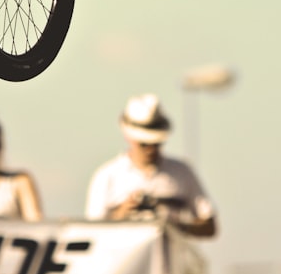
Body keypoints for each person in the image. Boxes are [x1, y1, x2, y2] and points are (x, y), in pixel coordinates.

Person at [85, 93, 217, 237]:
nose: (151, 149)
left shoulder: (182, 172)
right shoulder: (107, 176)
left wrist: (175, 226)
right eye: (144, 144)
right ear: (128, 137)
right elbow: (91, 232)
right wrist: (120, 214)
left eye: (156, 144)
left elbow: (210, 227)